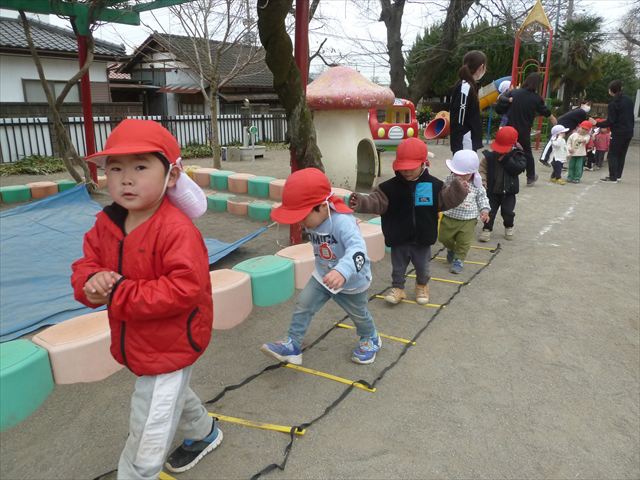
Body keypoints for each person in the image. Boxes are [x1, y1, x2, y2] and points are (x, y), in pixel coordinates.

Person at [71, 119, 221, 479]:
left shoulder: (176, 230)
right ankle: (204, 432)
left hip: (173, 342)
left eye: (140, 167)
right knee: (168, 395)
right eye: (115, 168)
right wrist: (90, 282)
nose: (126, 179)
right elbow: (87, 262)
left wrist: (118, 291)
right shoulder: (106, 223)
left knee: (147, 434)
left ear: (171, 176)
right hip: (139, 341)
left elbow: (184, 288)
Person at [261, 168, 381, 366]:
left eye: (303, 216)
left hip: (351, 280)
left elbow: (359, 250)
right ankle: (293, 344)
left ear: (323, 207)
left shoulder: (342, 223)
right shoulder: (315, 219)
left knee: (359, 314)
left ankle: (371, 337)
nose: (301, 223)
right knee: (304, 305)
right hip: (323, 275)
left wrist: (342, 271)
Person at [349, 137, 467, 305]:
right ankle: (398, 288)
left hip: (423, 237)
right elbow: (376, 202)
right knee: (398, 267)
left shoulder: (434, 185)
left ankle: (422, 286)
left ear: (423, 163)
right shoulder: (388, 188)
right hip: (398, 237)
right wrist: (361, 202)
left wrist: (459, 190)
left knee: (422, 267)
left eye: (411, 168)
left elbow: (446, 201)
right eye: (402, 167)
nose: (406, 171)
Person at [438, 150, 490, 274]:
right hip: (449, 215)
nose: (458, 176)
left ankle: (459, 259)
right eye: (456, 172)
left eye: (462, 174)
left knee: (463, 242)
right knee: (443, 237)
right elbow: (442, 192)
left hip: (468, 219)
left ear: (472, 173)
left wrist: (485, 211)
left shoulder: (477, 185)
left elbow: (482, 198)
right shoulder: (450, 179)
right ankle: (451, 249)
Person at [506, 72, 557, 186]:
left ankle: (503, 174)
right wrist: (552, 118)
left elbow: (502, 104)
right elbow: (544, 110)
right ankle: (530, 177)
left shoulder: (515, 93)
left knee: (505, 150)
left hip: (509, 128)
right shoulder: (536, 98)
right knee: (527, 153)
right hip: (524, 130)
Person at [478, 126, 527, 242]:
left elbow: (519, 168)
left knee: (508, 212)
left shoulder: (517, 155)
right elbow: (482, 169)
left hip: (509, 192)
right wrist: (483, 181)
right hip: (492, 191)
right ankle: (487, 229)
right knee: (490, 211)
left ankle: (509, 226)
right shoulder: (490, 156)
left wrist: (506, 159)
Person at [597, 80, 635, 183]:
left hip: (618, 132)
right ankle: (618, 175)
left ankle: (613, 177)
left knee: (612, 154)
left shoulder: (613, 104)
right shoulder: (629, 100)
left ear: (610, 90)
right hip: (629, 131)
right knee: (622, 154)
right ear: (621, 88)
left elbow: (610, 121)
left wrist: (597, 123)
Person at [449, 50, 487, 153]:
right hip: (464, 142)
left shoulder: (468, 86)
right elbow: (459, 119)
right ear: (481, 67)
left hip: (467, 141)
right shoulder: (465, 87)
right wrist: (458, 147)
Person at [539, 102, 594, 166]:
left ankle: (555, 162)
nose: (588, 107)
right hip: (562, 126)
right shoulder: (581, 112)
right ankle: (543, 158)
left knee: (558, 145)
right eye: (587, 104)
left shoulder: (578, 111)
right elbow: (584, 122)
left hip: (565, 126)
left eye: (589, 105)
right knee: (553, 141)